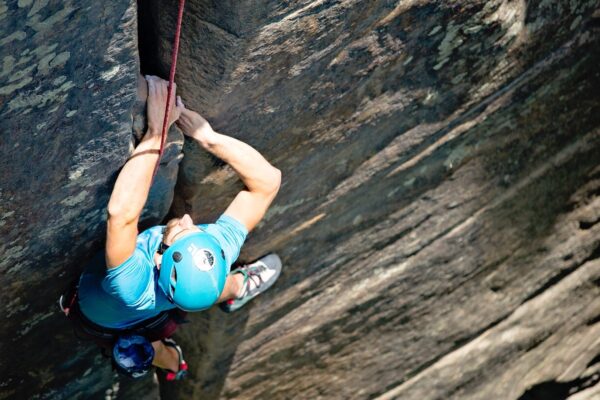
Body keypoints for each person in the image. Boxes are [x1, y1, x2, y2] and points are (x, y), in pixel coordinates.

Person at [62, 75, 282, 380]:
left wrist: (156, 132)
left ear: (160, 259)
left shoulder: (130, 284)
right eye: (192, 232)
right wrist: (208, 138)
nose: (189, 221)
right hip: (165, 304)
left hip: (101, 318)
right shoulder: (213, 246)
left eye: (181, 232)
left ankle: (172, 365)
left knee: (143, 348)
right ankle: (234, 291)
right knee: (206, 289)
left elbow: (121, 215)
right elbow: (267, 182)